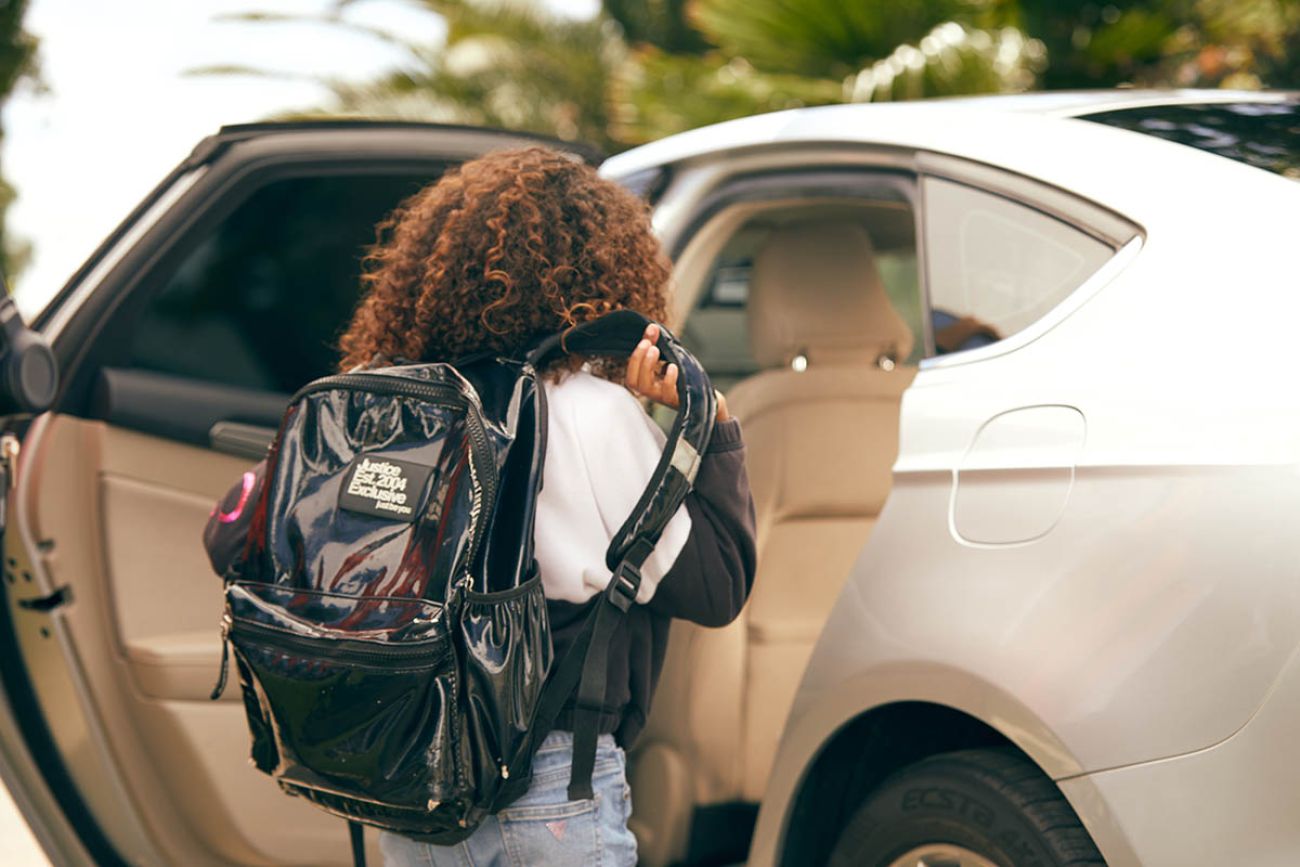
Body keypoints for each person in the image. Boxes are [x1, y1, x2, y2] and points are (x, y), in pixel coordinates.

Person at [202, 145, 757, 867]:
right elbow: (716, 584)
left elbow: (231, 538)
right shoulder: (588, 411)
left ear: (434, 272)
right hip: (550, 783)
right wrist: (709, 419)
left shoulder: (374, 404)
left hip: (406, 773)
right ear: (603, 275)